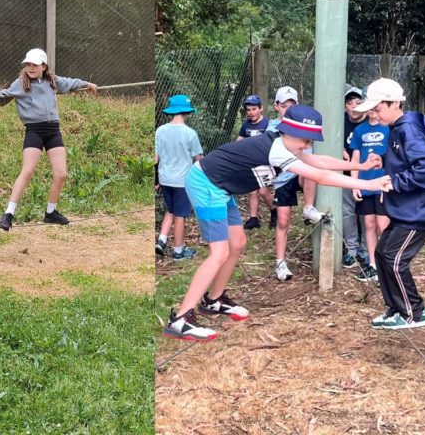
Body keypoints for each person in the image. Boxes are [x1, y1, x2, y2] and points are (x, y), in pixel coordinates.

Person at [162, 105, 390, 341]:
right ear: (288, 132)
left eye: (311, 140)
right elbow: (320, 176)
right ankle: (180, 319)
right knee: (219, 252)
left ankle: (213, 300)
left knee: (237, 244)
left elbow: (319, 161)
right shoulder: (277, 149)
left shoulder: (286, 145)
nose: (308, 145)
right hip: (206, 184)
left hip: (221, 187)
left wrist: (360, 167)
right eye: (305, 139)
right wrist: (370, 184)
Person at [353, 78, 425, 330]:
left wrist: (394, 181)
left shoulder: (407, 130)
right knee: (382, 253)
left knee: (394, 259)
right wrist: (384, 160)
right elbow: (406, 159)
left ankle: (415, 312)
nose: (375, 114)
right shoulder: (397, 128)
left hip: (420, 211)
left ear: (394, 103)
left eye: (378, 109)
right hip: (407, 209)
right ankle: (396, 308)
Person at [0, 48, 97, 231]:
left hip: (53, 131)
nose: (31, 67)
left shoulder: (52, 81)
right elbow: (5, 94)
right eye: (28, 64)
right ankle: (8, 214)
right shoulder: (20, 83)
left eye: (35, 64)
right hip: (34, 130)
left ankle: (51, 213)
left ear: (44, 66)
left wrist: (86, 83)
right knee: (27, 171)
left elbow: (70, 83)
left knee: (61, 173)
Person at [267, 86, 322, 281]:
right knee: (283, 221)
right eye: (284, 105)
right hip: (282, 178)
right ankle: (280, 263)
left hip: (301, 173)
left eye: (292, 105)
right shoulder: (272, 128)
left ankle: (308, 207)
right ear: (276, 106)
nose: (288, 109)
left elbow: (311, 157)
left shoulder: (304, 126)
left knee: (311, 170)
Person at [155, 95, 204, 261]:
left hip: (165, 178)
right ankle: (178, 252)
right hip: (182, 181)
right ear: (187, 112)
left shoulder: (160, 130)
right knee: (180, 215)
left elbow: (156, 158)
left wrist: (157, 179)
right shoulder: (190, 133)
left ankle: (161, 239)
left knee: (171, 209)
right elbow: (198, 158)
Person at [350, 108, 390, 282]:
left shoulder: (388, 128)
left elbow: (394, 158)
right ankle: (373, 265)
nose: (373, 111)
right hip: (365, 184)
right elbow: (355, 159)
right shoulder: (359, 130)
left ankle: (388, 264)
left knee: (384, 225)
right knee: (369, 224)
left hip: (383, 185)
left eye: (376, 107)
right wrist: (354, 184)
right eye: (370, 107)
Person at [238, 94, 274, 230]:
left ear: (261, 109)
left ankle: (274, 209)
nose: (251, 112)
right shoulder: (246, 125)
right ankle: (254, 218)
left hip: (263, 161)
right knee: (252, 191)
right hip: (249, 161)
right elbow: (239, 141)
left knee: (263, 191)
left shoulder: (267, 124)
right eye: (248, 110)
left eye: (254, 109)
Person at [342, 86, 368, 267]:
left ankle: (366, 250)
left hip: (367, 175)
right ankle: (351, 249)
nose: (354, 106)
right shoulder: (339, 122)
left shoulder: (371, 123)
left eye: (358, 102)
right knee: (347, 211)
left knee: (366, 214)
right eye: (350, 103)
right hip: (345, 174)